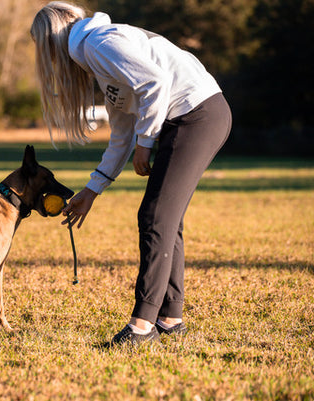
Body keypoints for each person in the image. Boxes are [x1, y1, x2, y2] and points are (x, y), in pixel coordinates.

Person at [31, 1, 232, 345]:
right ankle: (170, 318)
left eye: (43, 50)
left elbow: (155, 82)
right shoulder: (100, 58)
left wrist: (146, 141)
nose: (48, 61)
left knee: (155, 217)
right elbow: (121, 134)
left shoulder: (99, 42)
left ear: (51, 42)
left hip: (197, 115)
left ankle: (142, 326)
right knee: (166, 219)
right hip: (193, 117)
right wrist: (91, 191)